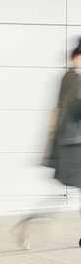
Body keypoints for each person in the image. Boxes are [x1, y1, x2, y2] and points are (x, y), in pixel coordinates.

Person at [38, 37, 81, 247]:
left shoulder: (69, 76)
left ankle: (34, 218)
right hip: (76, 146)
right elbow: (76, 109)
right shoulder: (75, 78)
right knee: (68, 192)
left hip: (71, 145)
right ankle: (35, 218)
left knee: (69, 192)